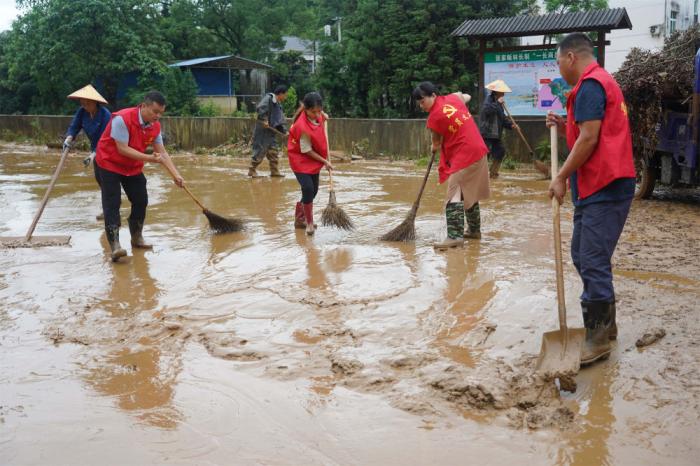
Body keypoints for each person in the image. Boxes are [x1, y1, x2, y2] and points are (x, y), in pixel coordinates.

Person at [546, 33, 636, 365]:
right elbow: (586, 129)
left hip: (605, 186)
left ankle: (597, 338)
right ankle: (606, 325)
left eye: (558, 61)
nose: (559, 68)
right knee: (582, 255)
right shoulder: (596, 84)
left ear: (571, 57)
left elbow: (589, 138)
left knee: (593, 259)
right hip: (597, 187)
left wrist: (560, 176)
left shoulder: (590, 85)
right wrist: (561, 121)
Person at [94, 90, 185, 262]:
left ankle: (136, 238)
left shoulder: (155, 126)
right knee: (112, 202)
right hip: (109, 163)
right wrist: (149, 158)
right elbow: (122, 149)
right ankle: (115, 246)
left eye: (160, 113)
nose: (158, 116)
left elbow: (162, 153)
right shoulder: (122, 119)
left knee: (141, 199)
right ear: (144, 106)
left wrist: (176, 175)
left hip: (132, 166)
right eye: (155, 112)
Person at [413, 81, 490, 249]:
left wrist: (433, 147)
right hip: (478, 150)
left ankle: (455, 237)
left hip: (466, 155)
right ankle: (475, 231)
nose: (421, 106)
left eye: (423, 101)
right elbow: (466, 96)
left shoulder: (434, 117)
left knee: (453, 194)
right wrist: (459, 99)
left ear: (433, 95)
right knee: (469, 192)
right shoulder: (453, 99)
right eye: (419, 103)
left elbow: (436, 143)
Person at [63, 84, 113, 220]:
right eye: (82, 103)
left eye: (87, 103)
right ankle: (109, 208)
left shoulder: (105, 116)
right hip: (95, 151)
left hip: (109, 151)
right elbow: (74, 126)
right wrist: (69, 137)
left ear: (95, 102)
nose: (85, 106)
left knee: (107, 180)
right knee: (100, 181)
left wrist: (93, 155)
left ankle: (110, 211)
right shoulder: (82, 112)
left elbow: (105, 139)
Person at [287, 92, 332, 236]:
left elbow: (320, 113)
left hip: (314, 159)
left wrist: (323, 116)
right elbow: (306, 150)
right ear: (306, 110)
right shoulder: (301, 126)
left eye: (319, 111)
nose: (317, 114)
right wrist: (325, 161)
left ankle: (299, 219)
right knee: (307, 188)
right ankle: (309, 224)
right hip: (300, 158)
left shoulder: (317, 115)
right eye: (314, 112)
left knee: (314, 191)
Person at [249, 85, 289, 177]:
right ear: (280, 94)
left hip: (271, 132)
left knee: (273, 152)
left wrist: (284, 131)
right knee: (260, 150)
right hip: (263, 131)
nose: (285, 97)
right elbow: (261, 108)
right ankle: (252, 170)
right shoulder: (268, 98)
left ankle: (274, 171)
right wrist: (264, 120)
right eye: (285, 95)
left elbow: (279, 120)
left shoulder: (278, 104)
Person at [479, 79, 516, 179]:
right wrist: (497, 103)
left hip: (496, 134)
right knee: (485, 155)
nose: (503, 94)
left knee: (500, 151)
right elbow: (486, 111)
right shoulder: (489, 100)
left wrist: (510, 125)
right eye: (502, 92)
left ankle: (493, 173)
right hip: (487, 132)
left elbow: (502, 118)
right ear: (497, 92)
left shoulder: (500, 104)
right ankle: (481, 176)